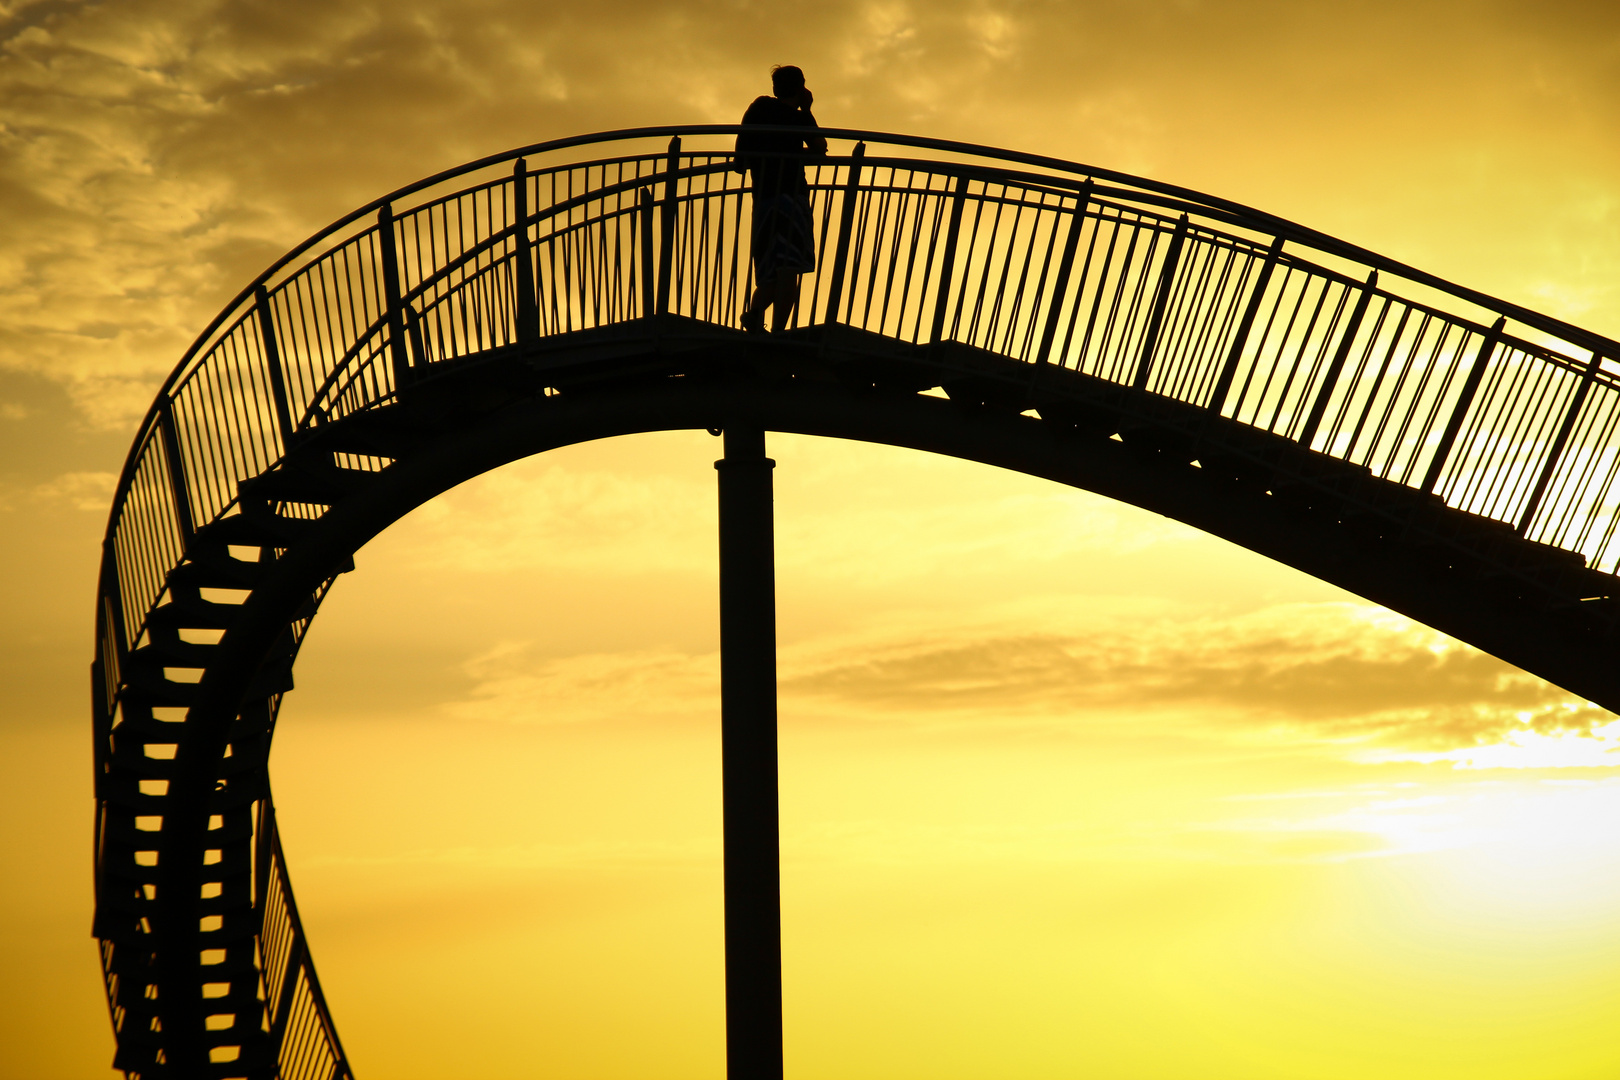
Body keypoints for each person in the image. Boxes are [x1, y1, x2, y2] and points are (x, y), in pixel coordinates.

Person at [736, 65, 827, 333]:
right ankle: (776, 334)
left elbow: (740, 159)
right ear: (801, 89)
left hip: (763, 202)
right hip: (791, 199)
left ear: (775, 88)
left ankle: (753, 316)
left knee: (770, 274)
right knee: (789, 270)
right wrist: (807, 110)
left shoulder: (758, 108)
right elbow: (820, 148)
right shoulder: (797, 118)